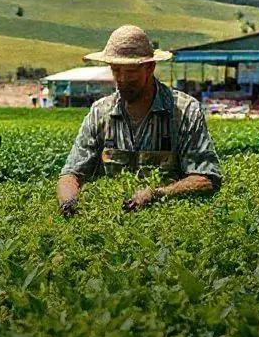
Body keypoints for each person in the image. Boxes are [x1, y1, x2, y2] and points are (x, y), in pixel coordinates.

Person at [58, 25, 222, 217]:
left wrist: (158, 194)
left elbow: (207, 178)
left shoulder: (184, 111)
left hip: (167, 222)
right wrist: (69, 203)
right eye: (116, 70)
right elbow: (70, 174)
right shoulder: (99, 113)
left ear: (150, 67)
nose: (122, 79)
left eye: (131, 71)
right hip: (113, 223)